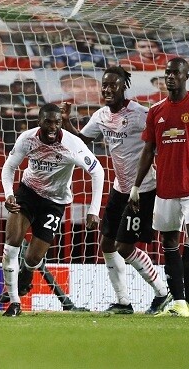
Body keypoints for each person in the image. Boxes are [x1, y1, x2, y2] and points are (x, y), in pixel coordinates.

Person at [60, 66, 171, 314]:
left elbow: (159, 141)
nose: (108, 89)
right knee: (107, 244)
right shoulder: (101, 115)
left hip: (143, 190)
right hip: (119, 188)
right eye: (105, 85)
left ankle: (162, 292)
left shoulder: (140, 114)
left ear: (124, 87)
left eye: (113, 85)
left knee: (124, 247)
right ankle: (123, 302)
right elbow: (83, 140)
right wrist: (66, 121)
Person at [0, 103, 105, 316]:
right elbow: (9, 167)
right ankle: (14, 302)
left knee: (33, 258)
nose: (52, 127)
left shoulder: (72, 144)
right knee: (12, 244)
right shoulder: (27, 139)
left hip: (55, 202)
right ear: (39, 121)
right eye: (48, 122)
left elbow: (98, 172)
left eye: (57, 122)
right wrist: (9, 194)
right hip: (28, 193)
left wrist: (94, 210)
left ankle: (27, 273)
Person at [132, 57, 189, 317]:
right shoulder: (156, 111)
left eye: (175, 73)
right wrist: (136, 186)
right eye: (167, 73)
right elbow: (148, 150)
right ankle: (180, 303)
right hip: (165, 189)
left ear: (186, 77)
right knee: (169, 241)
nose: (170, 77)